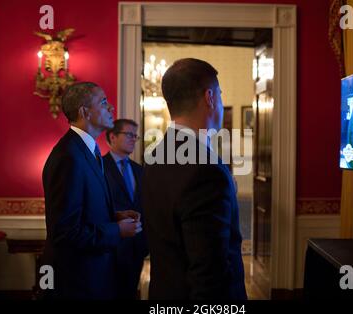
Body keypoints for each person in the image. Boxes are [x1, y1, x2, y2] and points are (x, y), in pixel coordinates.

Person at [142, 58, 247, 300]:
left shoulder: (156, 155)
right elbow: (210, 274)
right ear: (210, 98)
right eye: (220, 95)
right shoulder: (206, 171)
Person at [42, 82, 141, 299]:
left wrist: (114, 217)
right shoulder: (69, 157)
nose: (111, 108)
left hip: (94, 276)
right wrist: (117, 230)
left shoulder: (87, 150)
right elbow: (65, 233)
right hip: (77, 283)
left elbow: (82, 212)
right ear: (84, 112)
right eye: (104, 102)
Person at [104, 119, 148, 299]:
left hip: (136, 246)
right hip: (110, 246)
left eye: (135, 136)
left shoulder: (139, 169)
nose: (133, 139)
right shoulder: (100, 167)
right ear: (113, 137)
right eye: (129, 134)